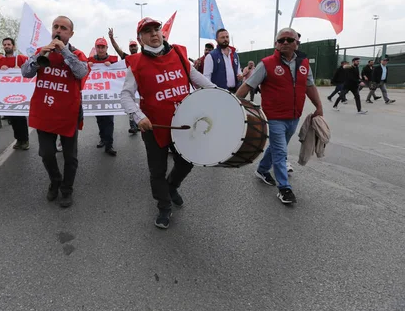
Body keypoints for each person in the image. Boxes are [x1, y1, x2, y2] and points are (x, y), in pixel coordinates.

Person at [120, 17, 215, 229]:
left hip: (184, 123)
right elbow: (126, 95)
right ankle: (164, 206)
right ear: (140, 38)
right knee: (157, 170)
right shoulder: (135, 63)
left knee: (188, 161)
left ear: (162, 32)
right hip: (154, 127)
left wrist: (220, 95)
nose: (154, 34)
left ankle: (172, 187)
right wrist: (138, 117)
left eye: (156, 29)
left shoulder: (179, 54)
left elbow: (197, 78)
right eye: (148, 31)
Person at [235, 27, 323, 205]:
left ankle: (262, 169)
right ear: (276, 43)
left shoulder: (304, 64)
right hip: (274, 117)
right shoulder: (266, 64)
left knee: (276, 147)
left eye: (289, 40)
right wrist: (234, 105)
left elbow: (310, 86)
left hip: (294, 116)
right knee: (281, 150)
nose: (284, 43)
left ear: (296, 43)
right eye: (281, 40)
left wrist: (319, 106)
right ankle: (284, 188)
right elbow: (247, 86)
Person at [21, 16, 88, 208]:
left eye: (64, 28)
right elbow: (26, 73)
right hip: (45, 111)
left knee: (70, 156)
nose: (59, 30)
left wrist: (64, 52)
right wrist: (38, 55)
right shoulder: (43, 52)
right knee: (46, 153)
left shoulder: (77, 54)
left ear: (71, 34)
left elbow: (81, 73)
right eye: (56, 27)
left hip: (68, 113)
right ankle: (55, 179)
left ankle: (67, 189)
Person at [0, 38, 30, 149]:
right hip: (6, 92)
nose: (6, 46)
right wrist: (0, 71)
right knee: (12, 118)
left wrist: (20, 70)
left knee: (20, 117)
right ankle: (18, 139)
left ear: (13, 46)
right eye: (4, 44)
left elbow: (30, 71)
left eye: (9, 44)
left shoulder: (22, 58)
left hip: (19, 92)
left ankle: (25, 140)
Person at [87, 38, 118, 156]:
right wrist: (87, 66)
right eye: (98, 47)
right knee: (100, 120)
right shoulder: (89, 60)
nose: (100, 49)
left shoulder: (114, 60)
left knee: (109, 121)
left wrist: (112, 67)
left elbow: (121, 72)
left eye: (102, 47)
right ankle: (102, 138)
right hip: (96, 96)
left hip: (109, 96)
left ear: (106, 48)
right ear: (96, 48)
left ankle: (109, 145)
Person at [108, 28, 139, 134]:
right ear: (129, 48)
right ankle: (134, 126)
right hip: (131, 85)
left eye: (134, 45)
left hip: (142, 85)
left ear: (138, 46)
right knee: (132, 105)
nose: (133, 47)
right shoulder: (127, 58)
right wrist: (111, 39)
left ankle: (139, 123)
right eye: (131, 46)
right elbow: (117, 49)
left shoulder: (143, 56)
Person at [203, 28, 242, 93]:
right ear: (216, 40)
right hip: (219, 93)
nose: (225, 39)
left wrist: (240, 75)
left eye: (227, 37)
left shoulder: (235, 54)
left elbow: (239, 71)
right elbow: (207, 77)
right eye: (222, 37)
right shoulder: (211, 56)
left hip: (235, 92)